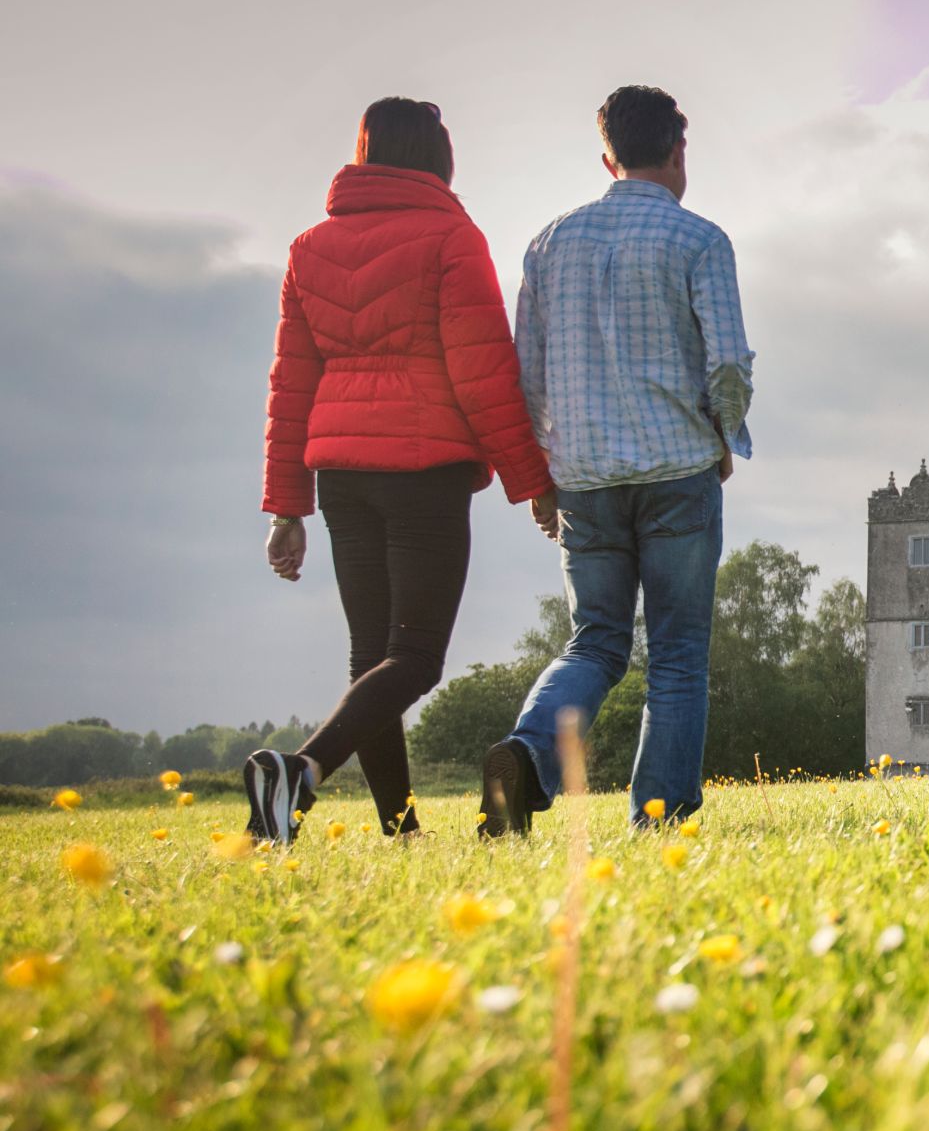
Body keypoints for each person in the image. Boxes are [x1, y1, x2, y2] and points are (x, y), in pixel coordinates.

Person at [247, 98, 557, 844]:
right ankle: (303, 772)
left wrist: (286, 507)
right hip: (424, 470)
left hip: (342, 473)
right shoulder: (451, 235)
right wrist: (533, 481)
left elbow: (291, 381)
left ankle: (403, 832)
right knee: (414, 658)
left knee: (372, 656)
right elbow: (483, 374)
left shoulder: (309, 246)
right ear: (437, 158)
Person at [480, 85, 754, 834]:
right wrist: (724, 434)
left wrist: (543, 477)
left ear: (607, 157)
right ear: (679, 150)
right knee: (676, 655)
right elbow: (727, 362)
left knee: (594, 641)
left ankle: (526, 752)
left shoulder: (548, 244)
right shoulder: (700, 240)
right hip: (677, 471)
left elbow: (526, 374)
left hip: (584, 480)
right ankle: (658, 820)